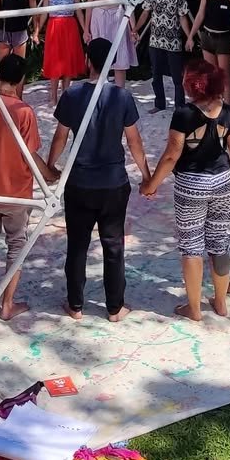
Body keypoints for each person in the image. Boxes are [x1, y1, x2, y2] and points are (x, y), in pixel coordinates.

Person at [47, 38, 151, 323]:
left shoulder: (72, 94)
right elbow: (134, 141)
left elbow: (60, 137)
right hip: (113, 183)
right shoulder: (122, 96)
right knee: (113, 245)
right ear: (112, 63)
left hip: (80, 182)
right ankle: (115, 307)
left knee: (77, 245)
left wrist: (50, 166)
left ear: (87, 60)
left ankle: (75, 305)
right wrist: (146, 176)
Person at [141, 60, 230, 323]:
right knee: (219, 241)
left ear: (193, 84)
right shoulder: (226, 111)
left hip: (191, 185)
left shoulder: (184, 114)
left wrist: (151, 184)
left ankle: (195, 308)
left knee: (191, 245)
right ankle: (221, 302)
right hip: (222, 181)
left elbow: (171, 155)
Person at [0, 55, 57, 320]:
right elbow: (30, 155)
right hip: (16, 192)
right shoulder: (23, 111)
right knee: (16, 244)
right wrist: (50, 174)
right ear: (22, 81)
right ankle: (7, 304)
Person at [133, 0, 191, 114]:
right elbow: (145, 13)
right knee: (156, 74)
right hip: (155, 41)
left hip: (173, 41)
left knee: (177, 76)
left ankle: (179, 106)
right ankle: (159, 104)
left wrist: (190, 37)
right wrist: (135, 29)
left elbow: (183, 17)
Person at [86, 0, 136, 87]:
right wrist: (85, 30)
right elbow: (89, 6)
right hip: (98, 20)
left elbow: (129, 4)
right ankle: (97, 91)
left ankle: (120, 91)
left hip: (117, 19)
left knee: (119, 55)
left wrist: (134, 29)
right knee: (98, 56)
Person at [38, 0, 87, 104]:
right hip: (54, 26)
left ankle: (65, 95)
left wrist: (85, 30)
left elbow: (79, 12)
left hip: (69, 27)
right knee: (54, 60)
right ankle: (53, 97)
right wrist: (37, 30)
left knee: (68, 60)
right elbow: (44, 12)